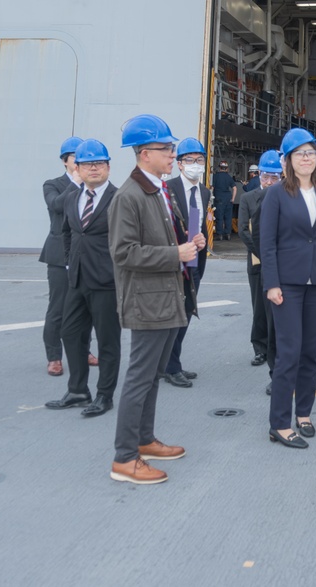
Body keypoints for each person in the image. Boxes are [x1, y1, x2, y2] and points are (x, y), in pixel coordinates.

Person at [107, 114, 204, 485]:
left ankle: (144, 440)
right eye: (167, 149)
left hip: (167, 298)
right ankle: (125, 458)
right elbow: (124, 252)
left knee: (151, 377)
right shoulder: (129, 196)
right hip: (148, 300)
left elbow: (167, 239)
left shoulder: (158, 189)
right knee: (139, 378)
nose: (173, 154)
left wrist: (188, 243)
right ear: (145, 154)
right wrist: (174, 255)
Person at [261, 128, 316, 449]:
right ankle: (279, 422)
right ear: (288, 161)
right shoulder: (277, 194)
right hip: (288, 285)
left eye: (310, 153)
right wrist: (272, 284)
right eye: (300, 154)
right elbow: (267, 243)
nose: (306, 158)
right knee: (289, 353)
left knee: (311, 353)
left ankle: (304, 413)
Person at [45, 139, 120, 418]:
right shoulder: (72, 196)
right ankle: (77, 389)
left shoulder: (119, 198)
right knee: (70, 333)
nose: (94, 168)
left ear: (108, 167)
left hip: (106, 282)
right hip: (77, 279)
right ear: (78, 167)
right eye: (88, 164)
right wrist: (69, 263)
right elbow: (66, 233)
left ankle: (104, 395)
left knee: (107, 341)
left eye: (99, 163)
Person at [161, 138, 211, 389]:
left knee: (187, 312)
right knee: (174, 315)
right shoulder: (166, 189)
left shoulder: (204, 192)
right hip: (174, 259)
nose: (195, 164)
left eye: (199, 160)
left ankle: (171, 361)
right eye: (189, 160)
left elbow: (199, 224)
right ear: (179, 164)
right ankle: (170, 367)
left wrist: (201, 242)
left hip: (195, 260)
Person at [40, 136, 90, 377]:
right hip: (60, 255)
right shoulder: (53, 184)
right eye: (75, 158)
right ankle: (54, 356)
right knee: (57, 308)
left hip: (86, 255)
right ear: (65, 161)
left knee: (85, 307)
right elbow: (57, 206)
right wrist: (77, 182)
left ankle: (83, 350)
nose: (80, 162)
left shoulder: (93, 184)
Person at [239, 150, 282, 393]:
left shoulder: (284, 196)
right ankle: (260, 347)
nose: (268, 182)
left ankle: (274, 350)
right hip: (257, 261)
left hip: (277, 262)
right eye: (265, 177)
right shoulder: (248, 198)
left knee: (275, 310)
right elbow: (245, 231)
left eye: (274, 178)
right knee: (259, 306)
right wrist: (264, 254)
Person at [212, 159, 236, 240]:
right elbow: (235, 188)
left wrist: (210, 198)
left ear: (219, 168)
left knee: (219, 217)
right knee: (228, 217)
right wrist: (233, 198)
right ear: (227, 168)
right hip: (228, 198)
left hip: (219, 198)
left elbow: (212, 188)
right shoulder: (229, 177)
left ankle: (219, 235)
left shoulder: (215, 176)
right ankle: (228, 234)